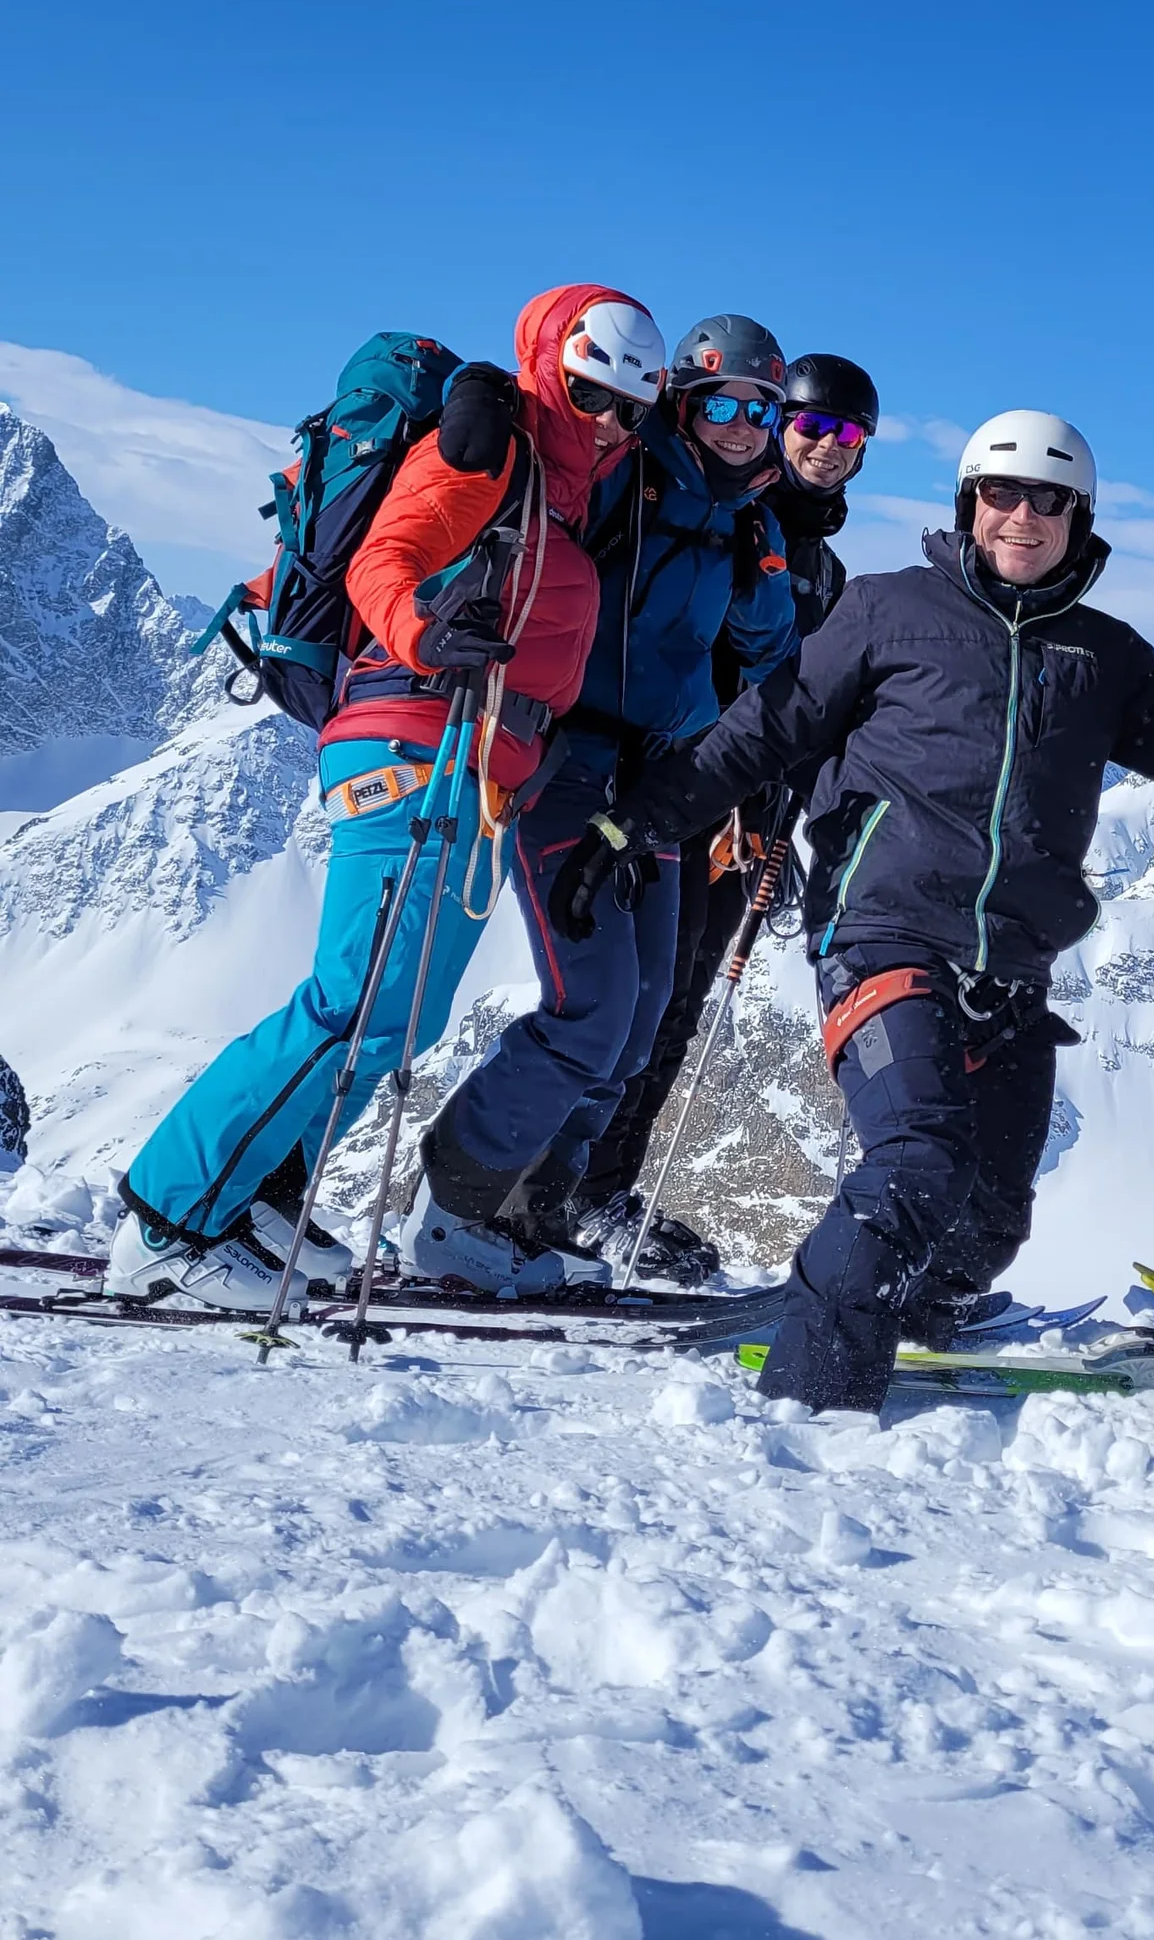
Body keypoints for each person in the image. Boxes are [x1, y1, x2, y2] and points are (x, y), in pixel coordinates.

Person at [610, 407, 1154, 1410]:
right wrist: (632, 826)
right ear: (969, 503)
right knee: (917, 1161)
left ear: (1079, 519)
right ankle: (811, 1391)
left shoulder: (1106, 657)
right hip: (884, 937)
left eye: (1049, 499)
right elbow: (761, 731)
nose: (1022, 516)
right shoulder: (886, 611)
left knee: (986, 1219)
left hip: (1009, 976)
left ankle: (900, 1301)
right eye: (1002, 492)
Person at [108, 286, 645, 1310]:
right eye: (592, 393)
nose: (612, 419)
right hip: (412, 742)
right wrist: (426, 633)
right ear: (551, 366)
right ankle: (169, 1218)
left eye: (631, 406)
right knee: (353, 1002)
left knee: (400, 1016)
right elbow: (382, 559)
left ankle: (254, 1196)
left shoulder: (569, 483)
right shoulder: (491, 448)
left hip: (474, 763)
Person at [400, 311, 797, 1284]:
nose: (741, 425)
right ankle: (453, 1202)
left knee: (645, 1009)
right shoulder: (624, 470)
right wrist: (483, 393)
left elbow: (771, 652)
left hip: (658, 783)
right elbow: (544, 451)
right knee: (593, 1004)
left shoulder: (749, 521)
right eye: (722, 404)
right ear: (681, 402)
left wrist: (761, 588)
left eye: (761, 411)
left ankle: (534, 1211)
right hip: (564, 762)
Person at [575, 350, 881, 1271]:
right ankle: (570, 1189)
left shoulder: (823, 567)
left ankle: (599, 1186)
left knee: (679, 997)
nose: (828, 446)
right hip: (679, 787)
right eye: (811, 425)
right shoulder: (733, 519)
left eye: (849, 434)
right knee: (644, 993)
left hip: (747, 813)